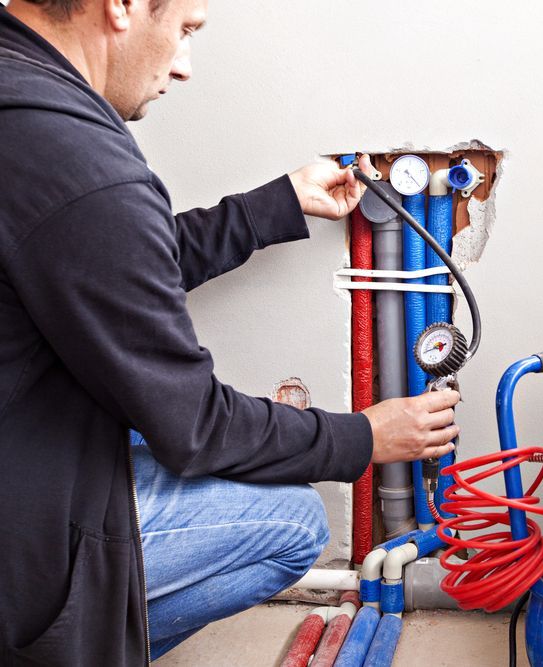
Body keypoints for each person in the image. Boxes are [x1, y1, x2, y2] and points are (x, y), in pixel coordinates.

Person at [0, 0, 461, 664]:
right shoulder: (79, 162)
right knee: (293, 523)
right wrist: (364, 435)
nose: (183, 67)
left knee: (133, 420)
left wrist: (270, 206)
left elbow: (105, 264)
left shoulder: (22, 97)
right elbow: (195, 426)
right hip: (20, 527)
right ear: (122, 7)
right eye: (185, 31)